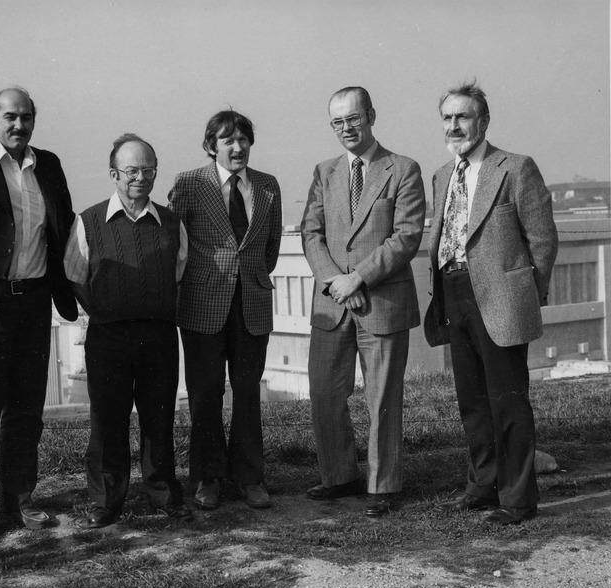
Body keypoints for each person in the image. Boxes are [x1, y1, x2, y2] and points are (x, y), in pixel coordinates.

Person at [424, 81, 557, 525]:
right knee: (472, 401)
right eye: (448, 117)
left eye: (463, 116)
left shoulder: (515, 168)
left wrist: (528, 293)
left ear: (483, 121)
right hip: (454, 293)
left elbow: (542, 239)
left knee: (508, 401)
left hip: (500, 299)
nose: (455, 125)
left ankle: (517, 500)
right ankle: (483, 485)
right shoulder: (443, 174)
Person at [0, 87, 78, 546]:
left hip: (34, 299)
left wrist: (69, 292)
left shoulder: (49, 164)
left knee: (27, 409)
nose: (18, 125)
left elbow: (61, 227)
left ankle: (19, 500)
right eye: (9, 117)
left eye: (26, 117)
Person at [301, 86, 425, 517]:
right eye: (337, 122)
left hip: (381, 303)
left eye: (353, 119)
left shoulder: (403, 169)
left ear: (371, 115)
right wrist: (335, 280)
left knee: (382, 398)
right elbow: (310, 233)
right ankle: (339, 477)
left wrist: (359, 278)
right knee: (324, 394)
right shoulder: (324, 171)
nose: (346, 128)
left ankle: (382, 485)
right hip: (332, 305)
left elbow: (407, 236)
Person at [64, 134, 191, 528]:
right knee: (107, 420)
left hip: (158, 336)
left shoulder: (171, 223)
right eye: (131, 170)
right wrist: (106, 310)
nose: (140, 177)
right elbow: (75, 275)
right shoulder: (88, 221)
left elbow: (179, 273)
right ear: (114, 173)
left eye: (147, 169)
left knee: (159, 417)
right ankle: (107, 500)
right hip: (108, 337)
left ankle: (162, 493)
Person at [169, 110, 282, 510]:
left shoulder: (267, 186)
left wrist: (245, 277)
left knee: (249, 393)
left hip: (251, 303)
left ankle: (250, 478)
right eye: (227, 141)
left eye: (243, 140)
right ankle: (208, 477)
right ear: (211, 145)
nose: (237, 148)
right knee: (205, 394)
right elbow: (175, 243)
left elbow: (269, 250)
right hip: (202, 305)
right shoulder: (188, 184)